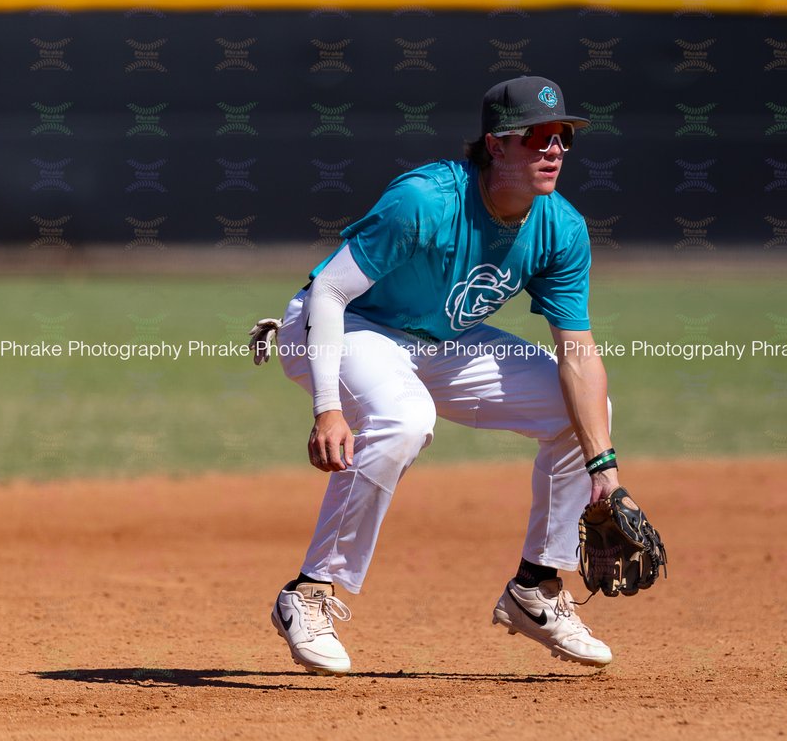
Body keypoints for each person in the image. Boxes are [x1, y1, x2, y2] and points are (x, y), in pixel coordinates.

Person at [263, 76, 623, 674]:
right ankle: (309, 593)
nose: (554, 149)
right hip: (342, 326)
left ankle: (537, 588)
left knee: (583, 418)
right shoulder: (427, 200)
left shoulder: (561, 228)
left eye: (562, 136)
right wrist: (327, 406)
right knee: (405, 420)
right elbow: (328, 289)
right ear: (496, 145)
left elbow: (578, 355)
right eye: (536, 136)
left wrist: (606, 472)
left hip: (439, 342)